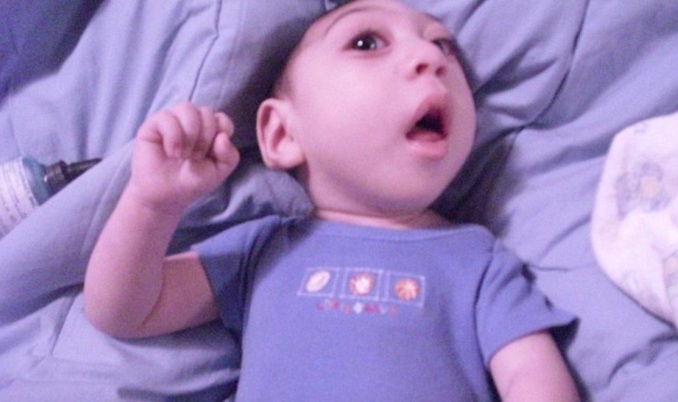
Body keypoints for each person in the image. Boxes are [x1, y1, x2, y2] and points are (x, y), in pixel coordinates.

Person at [84, 0, 580, 400]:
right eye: (366, 42)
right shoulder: (265, 248)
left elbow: (531, 377)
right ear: (281, 134)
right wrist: (153, 204)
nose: (430, 59)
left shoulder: (477, 259)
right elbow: (123, 310)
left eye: (443, 46)